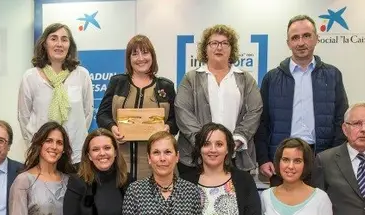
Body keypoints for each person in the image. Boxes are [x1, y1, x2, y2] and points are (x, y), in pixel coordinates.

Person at [255, 15, 349, 185]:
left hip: (321, 158)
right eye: (295, 38)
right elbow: (262, 122)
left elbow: (341, 120)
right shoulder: (272, 78)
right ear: (288, 43)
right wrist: (263, 158)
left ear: (316, 38)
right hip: (282, 159)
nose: (301, 42)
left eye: (306, 36)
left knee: (319, 202)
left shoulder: (333, 75)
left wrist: (334, 156)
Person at [175, 24, 263, 177]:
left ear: (231, 49)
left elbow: (255, 111)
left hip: (235, 156)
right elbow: (183, 111)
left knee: (235, 193)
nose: (219, 47)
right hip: (194, 159)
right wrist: (205, 143)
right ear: (205, 49)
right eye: (214, 43)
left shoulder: (245, 79)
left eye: (224, 43)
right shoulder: (191, 78)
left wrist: (235, 141)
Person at [97, 34, 177, 181]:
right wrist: (112, 127)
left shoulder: (165, 86)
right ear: (129, 59)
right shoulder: (117, 82)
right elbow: (102, 114)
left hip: (155, 165)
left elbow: (175, 120)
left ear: (152, 56)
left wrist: (168, 127)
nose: (140, 58)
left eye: (145, 53)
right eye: (135, 54)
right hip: (121, 162)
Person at [18, 23, 93, 166]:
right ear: (44, 44)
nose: (59, 44)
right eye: (53, 38)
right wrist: (36, 147)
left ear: (70, 45)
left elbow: (87, 114)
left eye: (64, 39)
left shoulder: (82, 75)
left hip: (75, 155)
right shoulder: (30, 77)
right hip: (42, 155)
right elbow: (24, 117)